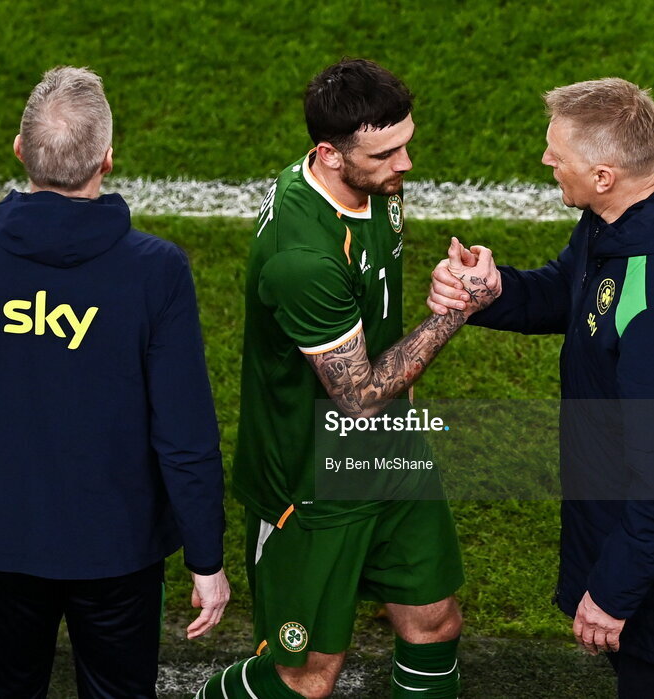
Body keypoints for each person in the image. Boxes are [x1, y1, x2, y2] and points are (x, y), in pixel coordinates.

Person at [428, 78, 654, 698]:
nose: (546, 163)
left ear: (606, 175)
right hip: (650, 551)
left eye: (559, 156)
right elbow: (577, 291)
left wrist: (613, 596)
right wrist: (496, 290)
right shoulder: (635, 213)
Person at [0, 66, 229, 698]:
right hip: (120, 550)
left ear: (20, 150)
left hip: (2, 539)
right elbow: (185, 431)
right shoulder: (155, 271)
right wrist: (205, 559)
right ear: (108, 158)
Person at [198, 58, 495, 699]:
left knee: (435, 621)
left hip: (392, 452)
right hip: (312, 479)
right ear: (329, 154)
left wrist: (443, 287)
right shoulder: (303, 259)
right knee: (308, 675)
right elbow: (357, 395)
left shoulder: (373, 187)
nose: (406, 164)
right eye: (387, 153)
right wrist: (455, 312)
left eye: (407, 143)